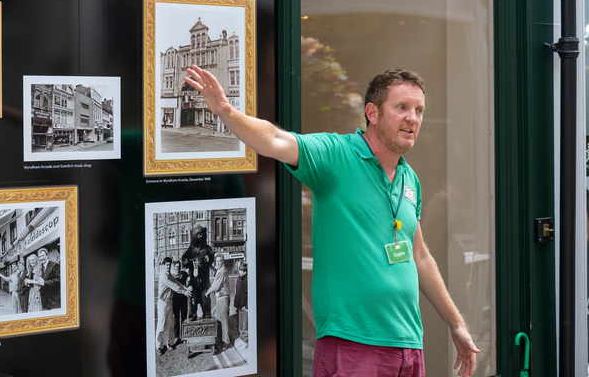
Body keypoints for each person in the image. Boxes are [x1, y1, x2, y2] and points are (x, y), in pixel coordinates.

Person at [184, 66, 480, 377]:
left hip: (408, 346)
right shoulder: (336, 155)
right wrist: (225, 111)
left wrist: (456, 324)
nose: (413, 118)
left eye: (419, 110)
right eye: (402, 107)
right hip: (353, 346)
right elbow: (274, 140)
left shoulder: (410, 178)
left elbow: (419, 256)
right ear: (373, 113)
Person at [155, 256, 191, 355]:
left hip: (169, 302)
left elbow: (176, 281)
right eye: (167, 265)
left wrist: (184, 287)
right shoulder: (163, 276)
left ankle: (166, 344)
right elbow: (173, 286)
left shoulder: (169, 274)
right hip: (162, 302)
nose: (168, 266)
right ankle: (158, 346)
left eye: (169, 265)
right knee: (161, 325)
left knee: (169, 324)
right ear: (163, 265)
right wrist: (184, 291)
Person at [205, 253, 231, 352]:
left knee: (224, 321)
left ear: (223, 261)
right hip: (220, 299)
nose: (218, 263)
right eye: (217, 261)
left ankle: (226, 342)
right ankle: (220, 340)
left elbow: (215, 286)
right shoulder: (220, 270)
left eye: (220, 261)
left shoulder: (222, 271)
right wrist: (209, 264)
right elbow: (215, 270)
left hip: (223, 299)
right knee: (219, 320)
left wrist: (207, 292)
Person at [229, 262, 248, 351]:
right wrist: (236, 304)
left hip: (244, 306)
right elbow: (237, 293)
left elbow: (247, 294)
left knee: (244, 324)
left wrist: (246, 306)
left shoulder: (246, 280)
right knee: (240, 323)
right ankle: (242, 338)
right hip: (240, 305)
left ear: (245, 272)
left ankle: (245, 341)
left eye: (241, 271)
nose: (239, 272)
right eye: (239, 270)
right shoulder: (239, 279)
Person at [170, 260, 189, 345]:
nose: (178, 268)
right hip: (175, 300)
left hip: (184, 299)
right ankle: (177, 337)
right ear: (174, 267)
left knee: (184, 318)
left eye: (179, 267)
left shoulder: (184, 274)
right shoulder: (172, 276)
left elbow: (189, 280)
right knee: (176, 319)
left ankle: (184, 336)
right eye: (176, 267)